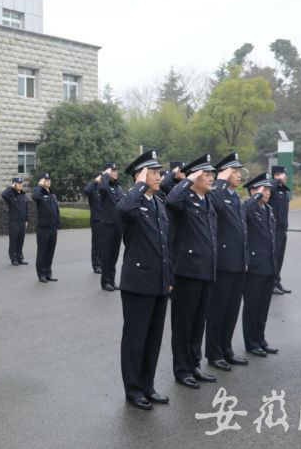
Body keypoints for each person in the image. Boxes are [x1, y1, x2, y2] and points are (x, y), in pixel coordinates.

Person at [117, 150, 172, 411]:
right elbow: (124, 208)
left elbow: (165, 246)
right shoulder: (131, 201)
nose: (159, 176)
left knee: (153, 338)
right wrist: (140, 183)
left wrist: (169, 278)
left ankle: (148, 385)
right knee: (136, 338)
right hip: (138, 282)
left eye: (159, 172)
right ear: (140, 175)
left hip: (159, 281)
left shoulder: (158, 203)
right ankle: (134, 390)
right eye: (154, 172)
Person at [165, 153, 218, 389]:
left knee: (198, 323)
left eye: (211, 174)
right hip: (186, 272)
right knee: (184, 323)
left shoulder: (207, 200)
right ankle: (182, 369)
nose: (210, 178)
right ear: (194, 176)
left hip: (206, 271)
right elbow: (170, 201)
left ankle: (194, 365)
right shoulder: (184, 198)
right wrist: (187, 179)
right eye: (205, 174)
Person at [205, 152, 250, 371]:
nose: (239, 175)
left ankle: (226, 348)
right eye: (234, 171)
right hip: (222, 263)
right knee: (218, 309)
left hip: (238, 262)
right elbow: (214, 205)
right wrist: (221, 180)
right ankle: (214, 353)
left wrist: (245, 258)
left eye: (240, 171)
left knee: (232, 309)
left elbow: (242, 231)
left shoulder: (235, 197)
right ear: (223, 173)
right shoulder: (218, 193)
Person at [242, 172, 279, 357]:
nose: (267, 193)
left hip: (268, 266)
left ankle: (260, 339)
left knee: (263, 307)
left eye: (268, 190)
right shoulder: (249, 209)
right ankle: (251, 342)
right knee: (252, 307)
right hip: (255, 266)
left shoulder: (268, 210)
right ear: (253, 191)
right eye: (263, 190)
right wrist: (255, 198)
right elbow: (243, 212)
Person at [98, 162, 124, 291]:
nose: (116, 172)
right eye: (112, 171)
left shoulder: (118, 187)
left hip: (118, 225)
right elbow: (102, 188)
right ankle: (105, 281)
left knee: (114, 254)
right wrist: (105, 175)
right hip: (108, 225)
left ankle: (112, 280)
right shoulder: (105, 186)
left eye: (115, 170)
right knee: (107, 254)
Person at [33, 173, 59, 283]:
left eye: (49, 180)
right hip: (43, 228)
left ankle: (48, 273)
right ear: (41, 181)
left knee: (50, 252)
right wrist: (39, 185)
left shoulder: (52, 195)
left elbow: (57, 211)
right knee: (42, 252)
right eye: (45, 180)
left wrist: (57, 225)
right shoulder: (39, 194)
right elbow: (35, 197)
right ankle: (41, 274)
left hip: (52, 228)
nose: (48, 181)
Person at [269, 165, 291, 295]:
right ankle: (271, 284)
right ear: (276, 175)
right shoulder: (272, 188)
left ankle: (277, 282)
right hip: (274, 229)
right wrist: (277, 180)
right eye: (283, 174)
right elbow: (269, 186)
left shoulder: (283, 190)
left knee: (280, 257)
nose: (286, 176)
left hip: (283, 229)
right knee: (274, 256)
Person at [1, 178, 29, 266]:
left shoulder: (24, 195)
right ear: (14, 184)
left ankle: (20, 258)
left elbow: (26, 209)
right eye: (18, 183)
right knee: (13, 241)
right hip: (14, 222)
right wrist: (11, 187)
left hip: (22, 222)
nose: (20, 185)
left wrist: (27, 220)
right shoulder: (11, 195)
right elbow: (3, 194)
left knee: (21, 241)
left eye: (21, 183)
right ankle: (13, 259)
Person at [83, 171, 103, 274]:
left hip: (106, 220)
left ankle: (103, 263)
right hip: (96, 220)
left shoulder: (105, 188)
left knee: (105, 244)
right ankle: (97, 265)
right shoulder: (93, 189)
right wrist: (96, 181)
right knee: (97, 243)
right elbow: (86, 190)